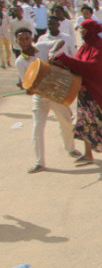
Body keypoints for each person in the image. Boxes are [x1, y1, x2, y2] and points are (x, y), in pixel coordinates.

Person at [51, 19, 102, 163]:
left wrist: (65, 59)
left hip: (100, 90)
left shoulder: (99, 46)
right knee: (85, 122)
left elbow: (91, 67)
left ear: (91, 30)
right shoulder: (84, 47)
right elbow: (78, 66)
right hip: (85, 90)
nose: (80, 32)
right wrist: (60, 63)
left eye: (83, 29)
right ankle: (88, 154)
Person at [14, 28, 78, 173]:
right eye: (21, 39)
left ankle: (71, 149)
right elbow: (27, 85)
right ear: (16, 42)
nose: (24, 42)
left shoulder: (42, 47)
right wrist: (30, 89)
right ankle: (40, 162)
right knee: (37, 129)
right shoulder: (20, 62)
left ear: (31, 39)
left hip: (55, 94)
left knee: (66, 123)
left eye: (26, 38)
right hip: (40, 97)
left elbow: (60, 41)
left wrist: (51, 51)